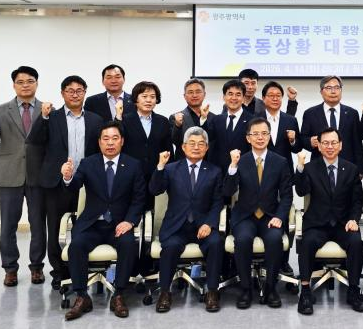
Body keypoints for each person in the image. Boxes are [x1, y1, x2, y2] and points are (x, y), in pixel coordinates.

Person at [60, 121, 146, 320]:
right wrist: (68, 177)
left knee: (128, 244)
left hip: (119, 224)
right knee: (76, 246)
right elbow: (74, 186)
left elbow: (139, 199)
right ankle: (82, 296)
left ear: (122, 141)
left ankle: (119, 294)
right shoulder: (88, 163)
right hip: (93, 224)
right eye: (105, 139)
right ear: (99, 142)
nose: (110, 143)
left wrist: (130, 222)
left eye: (115, 138)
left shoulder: (133, 165)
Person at [28, 75, 103, 289]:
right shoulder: (52, 117)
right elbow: (34, 140)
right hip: (57, 182)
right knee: (56, 228)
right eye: (70, 90)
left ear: (85, 93)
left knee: (86, 227)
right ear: (62, 93)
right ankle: (60, 272)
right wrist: (42, 117)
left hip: (88, 184)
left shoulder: (95, 120)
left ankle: (83, 269)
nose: (75, 94)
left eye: (79, 90)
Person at [0, 65, 46, 287]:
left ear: (37, 83)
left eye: (30, 81)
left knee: (38, 225)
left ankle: (37, 267)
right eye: (20, 82)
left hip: (38, 175)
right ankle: (10, 269)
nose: (25, 85)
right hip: (9, 174)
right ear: (14, 85)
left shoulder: (47, 109)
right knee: (8, 225)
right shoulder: (0, 110)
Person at [149, 127, 224, 313]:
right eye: (192, 143)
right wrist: (160, 166)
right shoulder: (171, 169)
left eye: (201, 144)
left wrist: (209, 223)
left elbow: (218, 202)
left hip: (203, 226)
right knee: (171, 247)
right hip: (177, 227)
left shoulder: (214, 171)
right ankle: (165, 292)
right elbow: (155, 190)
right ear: (183, 147)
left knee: (216, 242)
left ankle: (212, 291)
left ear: (207, 148)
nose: (196, 147)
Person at [222, 118, 293, 309]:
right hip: (245, 215)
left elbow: (287, 195)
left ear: (269, 136)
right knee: (243, 240)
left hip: (271, 216)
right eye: (255, 134)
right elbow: (228, 191)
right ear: (248, 138)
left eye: (264, 133)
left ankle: (271, 288)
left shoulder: (280, 162)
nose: (260, 137)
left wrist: (279, 217)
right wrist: (232, 166)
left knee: (274, 240)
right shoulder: (241, 161)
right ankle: (245, 289)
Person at [294, 127, 363, 315]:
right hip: (317, 224)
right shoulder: (310, 168)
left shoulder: (351, 169)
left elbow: (357, 200)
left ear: (340, 145)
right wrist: (300, 167)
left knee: (356, 242)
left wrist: (354, 219)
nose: (330, 146)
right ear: (318, 146)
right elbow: (301, 191)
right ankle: (305, 291)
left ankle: (353, 290)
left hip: (343, 224)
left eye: (334, 143)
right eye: (325, 143)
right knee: (307, 243)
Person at [117, 81, 173, 280]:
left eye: (152, 97)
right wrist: (117, 118)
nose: (149, 100)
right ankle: (130, 268)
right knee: (132, 222)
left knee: (153, 222)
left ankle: (150, 265)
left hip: (155, 178)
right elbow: (117, 147)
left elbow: (168, 150)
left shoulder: (163, 122)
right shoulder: (125, 120)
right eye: (144, 96)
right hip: (131, 178)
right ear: (136, 99)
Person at [260, 81, 302, 276]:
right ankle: (263, 258)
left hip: (284, 174)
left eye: (278, 96)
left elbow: (297, 148)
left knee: (283, 215)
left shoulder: (290, 120)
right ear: (263, 98)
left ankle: (283, 261)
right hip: (261, 173)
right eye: (271, 95)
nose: (275, 99)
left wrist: (293, 140)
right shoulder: (256, 119)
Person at [300, 75, 363, 173]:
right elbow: (302, 138)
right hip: (318, 168)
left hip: (347, 167)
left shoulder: (352, 113)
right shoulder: (310, 113)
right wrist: (310, 142)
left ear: (341, 90)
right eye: (329, 88)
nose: (333, 91)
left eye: (337, 87)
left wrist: (359, 170)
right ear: (321, 92)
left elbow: (357, 144)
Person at [204, 79, 254, 172]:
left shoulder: (253, 121)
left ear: (243, 98)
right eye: (230, 94)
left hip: (242, 171)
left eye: (238, 94)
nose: (234, 98)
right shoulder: (216, 120)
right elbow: (206, 139)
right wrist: (203, 119)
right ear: (224, 97)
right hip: (217, 172)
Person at [169, 78, 214, 160]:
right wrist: (177, 125)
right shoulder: (175, 117)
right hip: (184, 163)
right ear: (184, 96)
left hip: (207, 163)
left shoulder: (214, 118)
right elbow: (175, 142)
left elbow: (212, 141)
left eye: (198, 92)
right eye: (190, 92)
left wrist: (204, 119)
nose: (194, 95)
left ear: (204, 94)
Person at [226, 68, 299, 116]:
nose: (250, 87)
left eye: (253, 83)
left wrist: (292, 100)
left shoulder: (264, 105)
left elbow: (284, 120)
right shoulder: (230, 104)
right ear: (240, 84)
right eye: (246, 83)